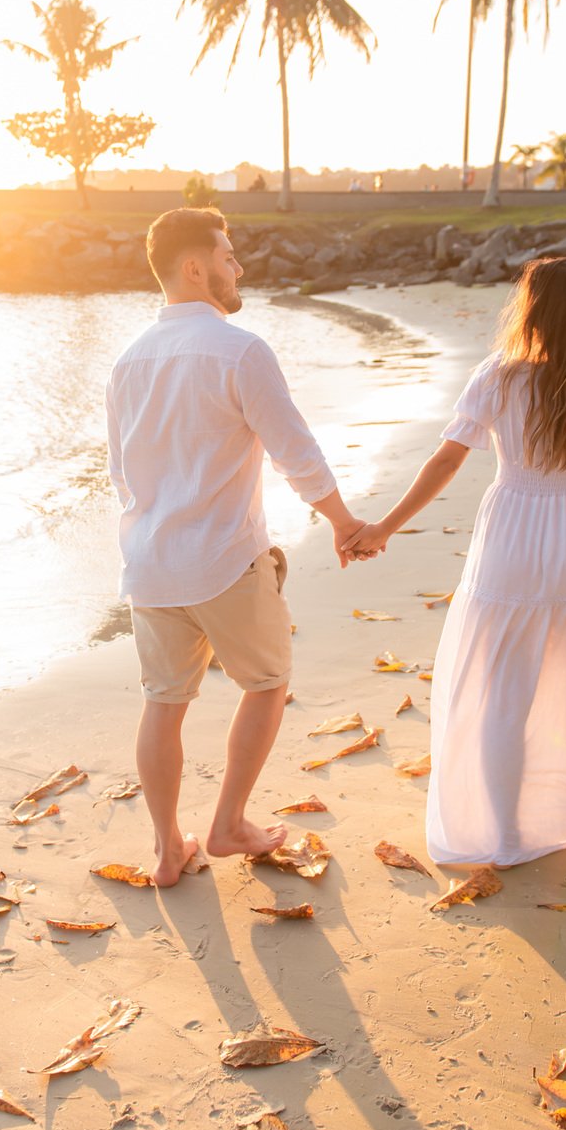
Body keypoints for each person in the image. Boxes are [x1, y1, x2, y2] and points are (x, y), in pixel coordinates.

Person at [345, 257, 566, 868]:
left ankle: (505, 830)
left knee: (500, 691)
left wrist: (382, 527)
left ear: (535, 312)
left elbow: (446, 463)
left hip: (511, 536)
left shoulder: (501, 377)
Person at [106, 206, 371, 886]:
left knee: (163, 704)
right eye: (227, 256)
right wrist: (342, 521)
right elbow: (295, 453)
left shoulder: (128, 362)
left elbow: (120, 473)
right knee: (268, 682)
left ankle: (168, 850)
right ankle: (227, 824)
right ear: (194, 267)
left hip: (152, 564)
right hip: (224, 558)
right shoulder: (240, 350)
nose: (238, 267)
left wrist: (145, 537)